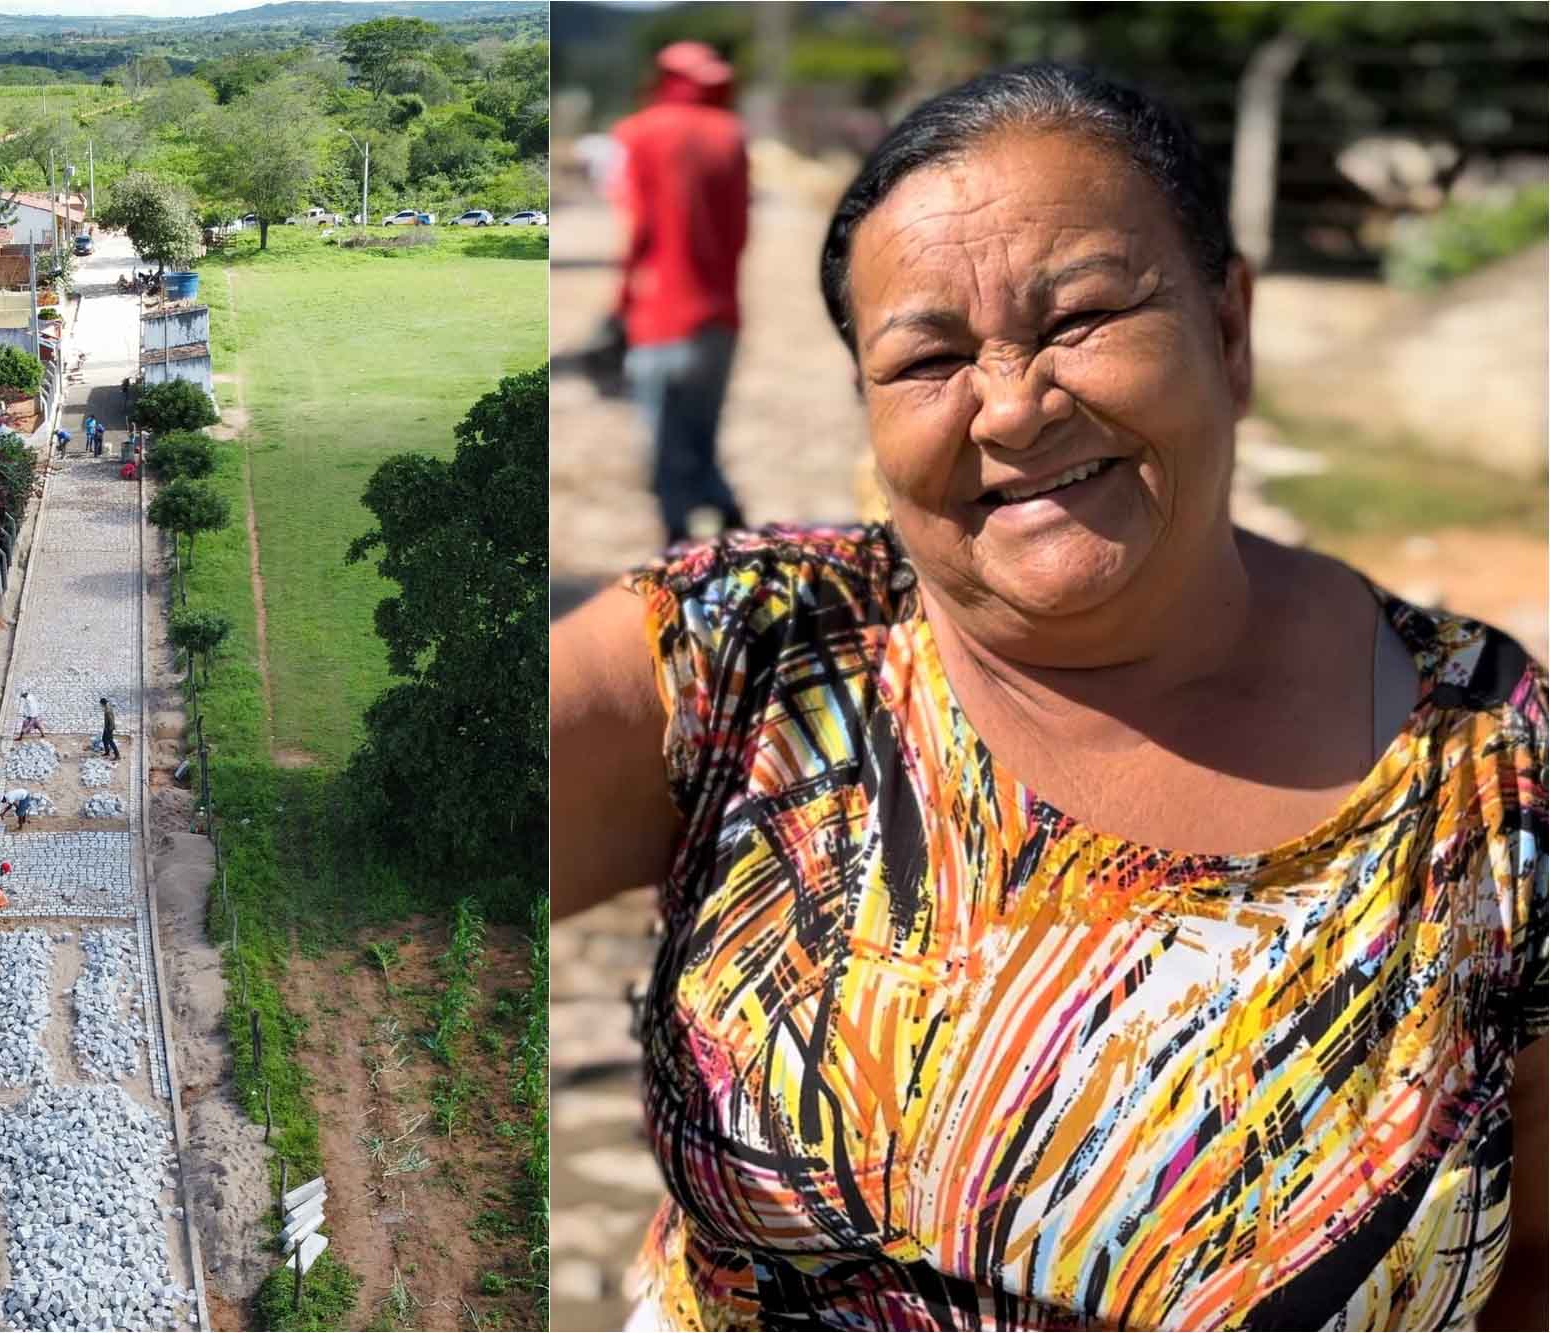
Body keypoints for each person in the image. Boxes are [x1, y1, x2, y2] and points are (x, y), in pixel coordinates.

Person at [550, 63, 1545, 1332]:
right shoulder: (759, 652)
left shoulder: (1491, 763)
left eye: (1080, 320)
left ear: (1227, 331)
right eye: (928, 358)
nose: (1012, 405)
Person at [612, 40, 751, 545]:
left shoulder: (639, 133)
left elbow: (637, 230)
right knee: (701, 429)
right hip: (720, 313)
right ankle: (727, 513)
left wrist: (620, 306)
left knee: (665, 441)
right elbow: (739, 233)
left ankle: (681, 541)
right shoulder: (733, 135)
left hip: (659, 314)